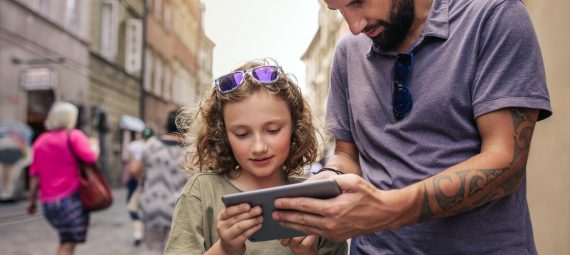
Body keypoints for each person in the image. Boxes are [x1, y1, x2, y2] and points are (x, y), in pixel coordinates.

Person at [272, 0, 552, 254]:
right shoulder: (347, 51)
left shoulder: (495, 15)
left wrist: (389, 210)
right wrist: (331, 176)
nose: (354, 26)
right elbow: (347, 155)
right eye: (340, 10)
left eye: (358, 2)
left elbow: (506, 161)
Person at [164, 59, 348, 255]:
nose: (259, 147)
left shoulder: (317, 198)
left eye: (273, 130)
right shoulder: (201, 192)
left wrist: (306, 252)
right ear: (223, 134)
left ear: (295, 127)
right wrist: (225, 249)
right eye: (242, 134)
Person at [27, 102, 98, 255]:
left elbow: (34, 174)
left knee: (65, 240)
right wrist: (94, 145)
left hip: (48, 203)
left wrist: (32, 200)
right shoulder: (74, 136)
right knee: (68, 243)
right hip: (70, 199)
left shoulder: (41, 141)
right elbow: (91, 158)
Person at [130, 110, 190, 254]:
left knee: (153, 248)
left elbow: (134, 170)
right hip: (178, 207)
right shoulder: (190, 148)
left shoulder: (151, 144)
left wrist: (146, 182)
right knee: (174, 249)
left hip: (152, 202)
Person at [123, 127, 154, 246]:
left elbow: (132, 167)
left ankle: (137, 233)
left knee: (132, 206)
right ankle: (146, 232)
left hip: (136, 181)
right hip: (151, 181)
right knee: (148, 207)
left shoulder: (133, 145)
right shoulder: (154, 145)